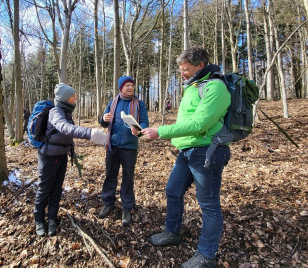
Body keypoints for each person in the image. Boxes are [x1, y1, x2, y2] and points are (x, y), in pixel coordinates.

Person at [141, 46, 231, 268]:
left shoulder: (216, 87)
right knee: (173, 190)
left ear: (201, 66)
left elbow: (199, 123)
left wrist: (161, 131)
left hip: (208, 152)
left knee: (208, 204)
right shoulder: (194, 85)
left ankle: (206, 255)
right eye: (180, 69)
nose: (182, 73)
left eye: (186, 69)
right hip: (187, 151)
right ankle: (172, 232)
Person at [34, 83, 107, 237]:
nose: (76, 98)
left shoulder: (66, 112)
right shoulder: (56, 112)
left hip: (61, 156)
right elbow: (65, 128)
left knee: (57, 188)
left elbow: (65, 135)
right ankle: (39, 220)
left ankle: (52, 218)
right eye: (73, 96)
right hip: (48, 157)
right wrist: (90, 133)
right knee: (44, 189)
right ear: (66, 98)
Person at [99, 76, 149, 226]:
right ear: (121, 88)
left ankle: (127, 207)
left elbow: (144, 122)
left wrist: (139, 130)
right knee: (110, 175)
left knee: (128, 177)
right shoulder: (113, 102)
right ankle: (108, 203)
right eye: (127, 85)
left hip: (130, 147)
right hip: (112, 145)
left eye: (132, 85)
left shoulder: (139, 104)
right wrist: (104, 118)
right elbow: (103, 122)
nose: (130, 88)